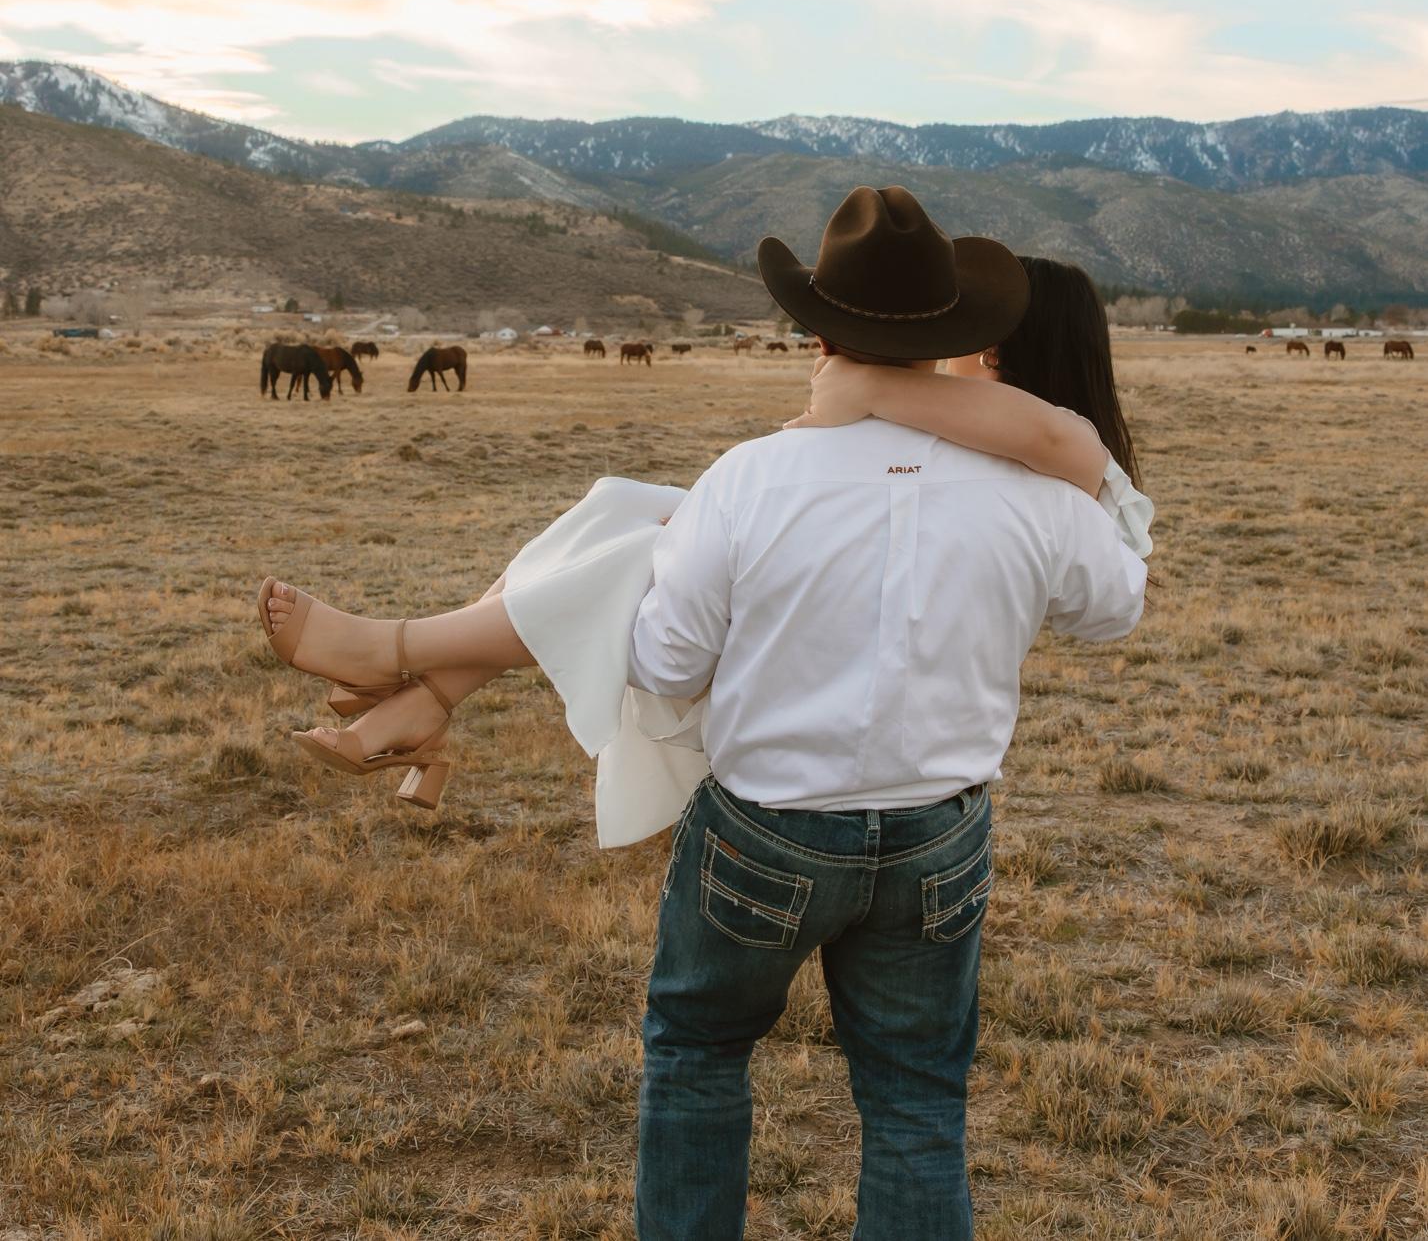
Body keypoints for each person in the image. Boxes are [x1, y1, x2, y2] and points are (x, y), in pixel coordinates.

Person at [257, 186, 1149, 1236]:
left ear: (820, 335)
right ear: (951, 338)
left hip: (770, 829)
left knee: (698, 1055)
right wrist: (1072, 463)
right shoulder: (1038, 497)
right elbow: (1115, 603)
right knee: (916, 1099)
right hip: (935, 836)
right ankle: (418, 680)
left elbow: (666, 664)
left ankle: (416, 668)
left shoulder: (751, 478)